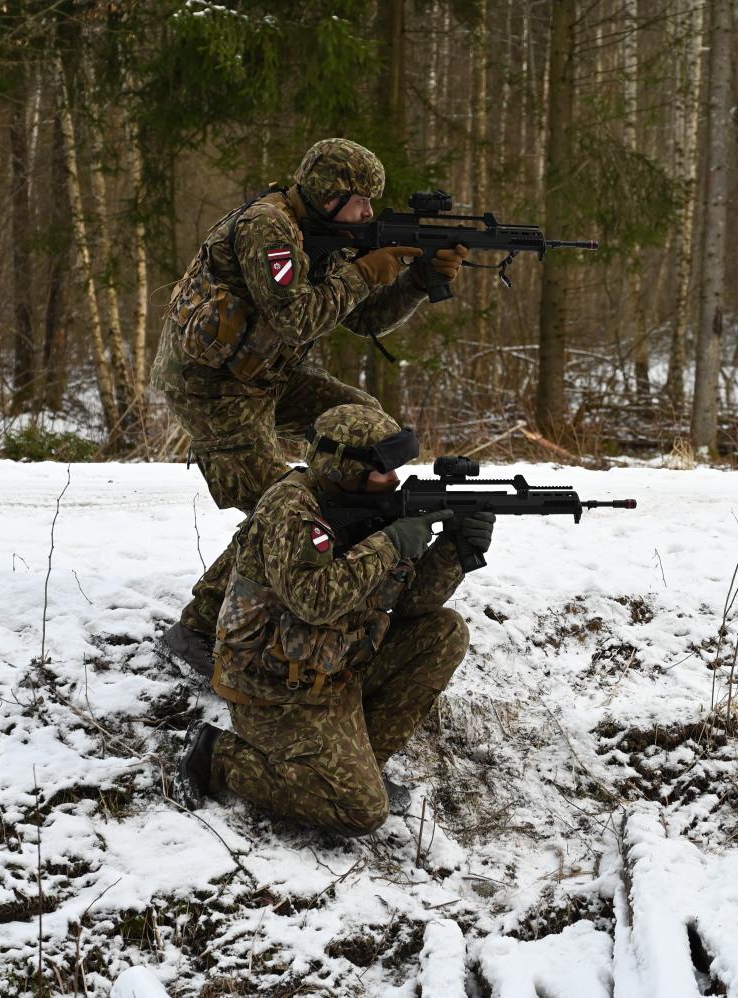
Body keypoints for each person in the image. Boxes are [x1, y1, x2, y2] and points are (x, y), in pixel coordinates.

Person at [153, 137, 469, 675]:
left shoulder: (336, 236)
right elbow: (298, 317)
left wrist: (418, 280)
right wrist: (367, 270)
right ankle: (199, 627)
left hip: (272, 373)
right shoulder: (267, 229)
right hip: (214, 386)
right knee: (279, 501)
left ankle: (351, 559)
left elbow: (364, 318)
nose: (370, 211)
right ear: (328, 195)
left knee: (370, 437)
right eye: (360, 199)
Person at [175, 404, 494, 835]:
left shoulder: (373, 506)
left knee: (444, 632)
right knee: (361, 813)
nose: (395, 480)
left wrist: (454, 552)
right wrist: (391, 542)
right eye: (383, 470)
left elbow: (413, 604)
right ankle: (218, 757)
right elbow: (315, 602)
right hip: (275, 692)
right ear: (343, 467)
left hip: (334, 670)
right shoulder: (292, 509)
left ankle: (359, 768)